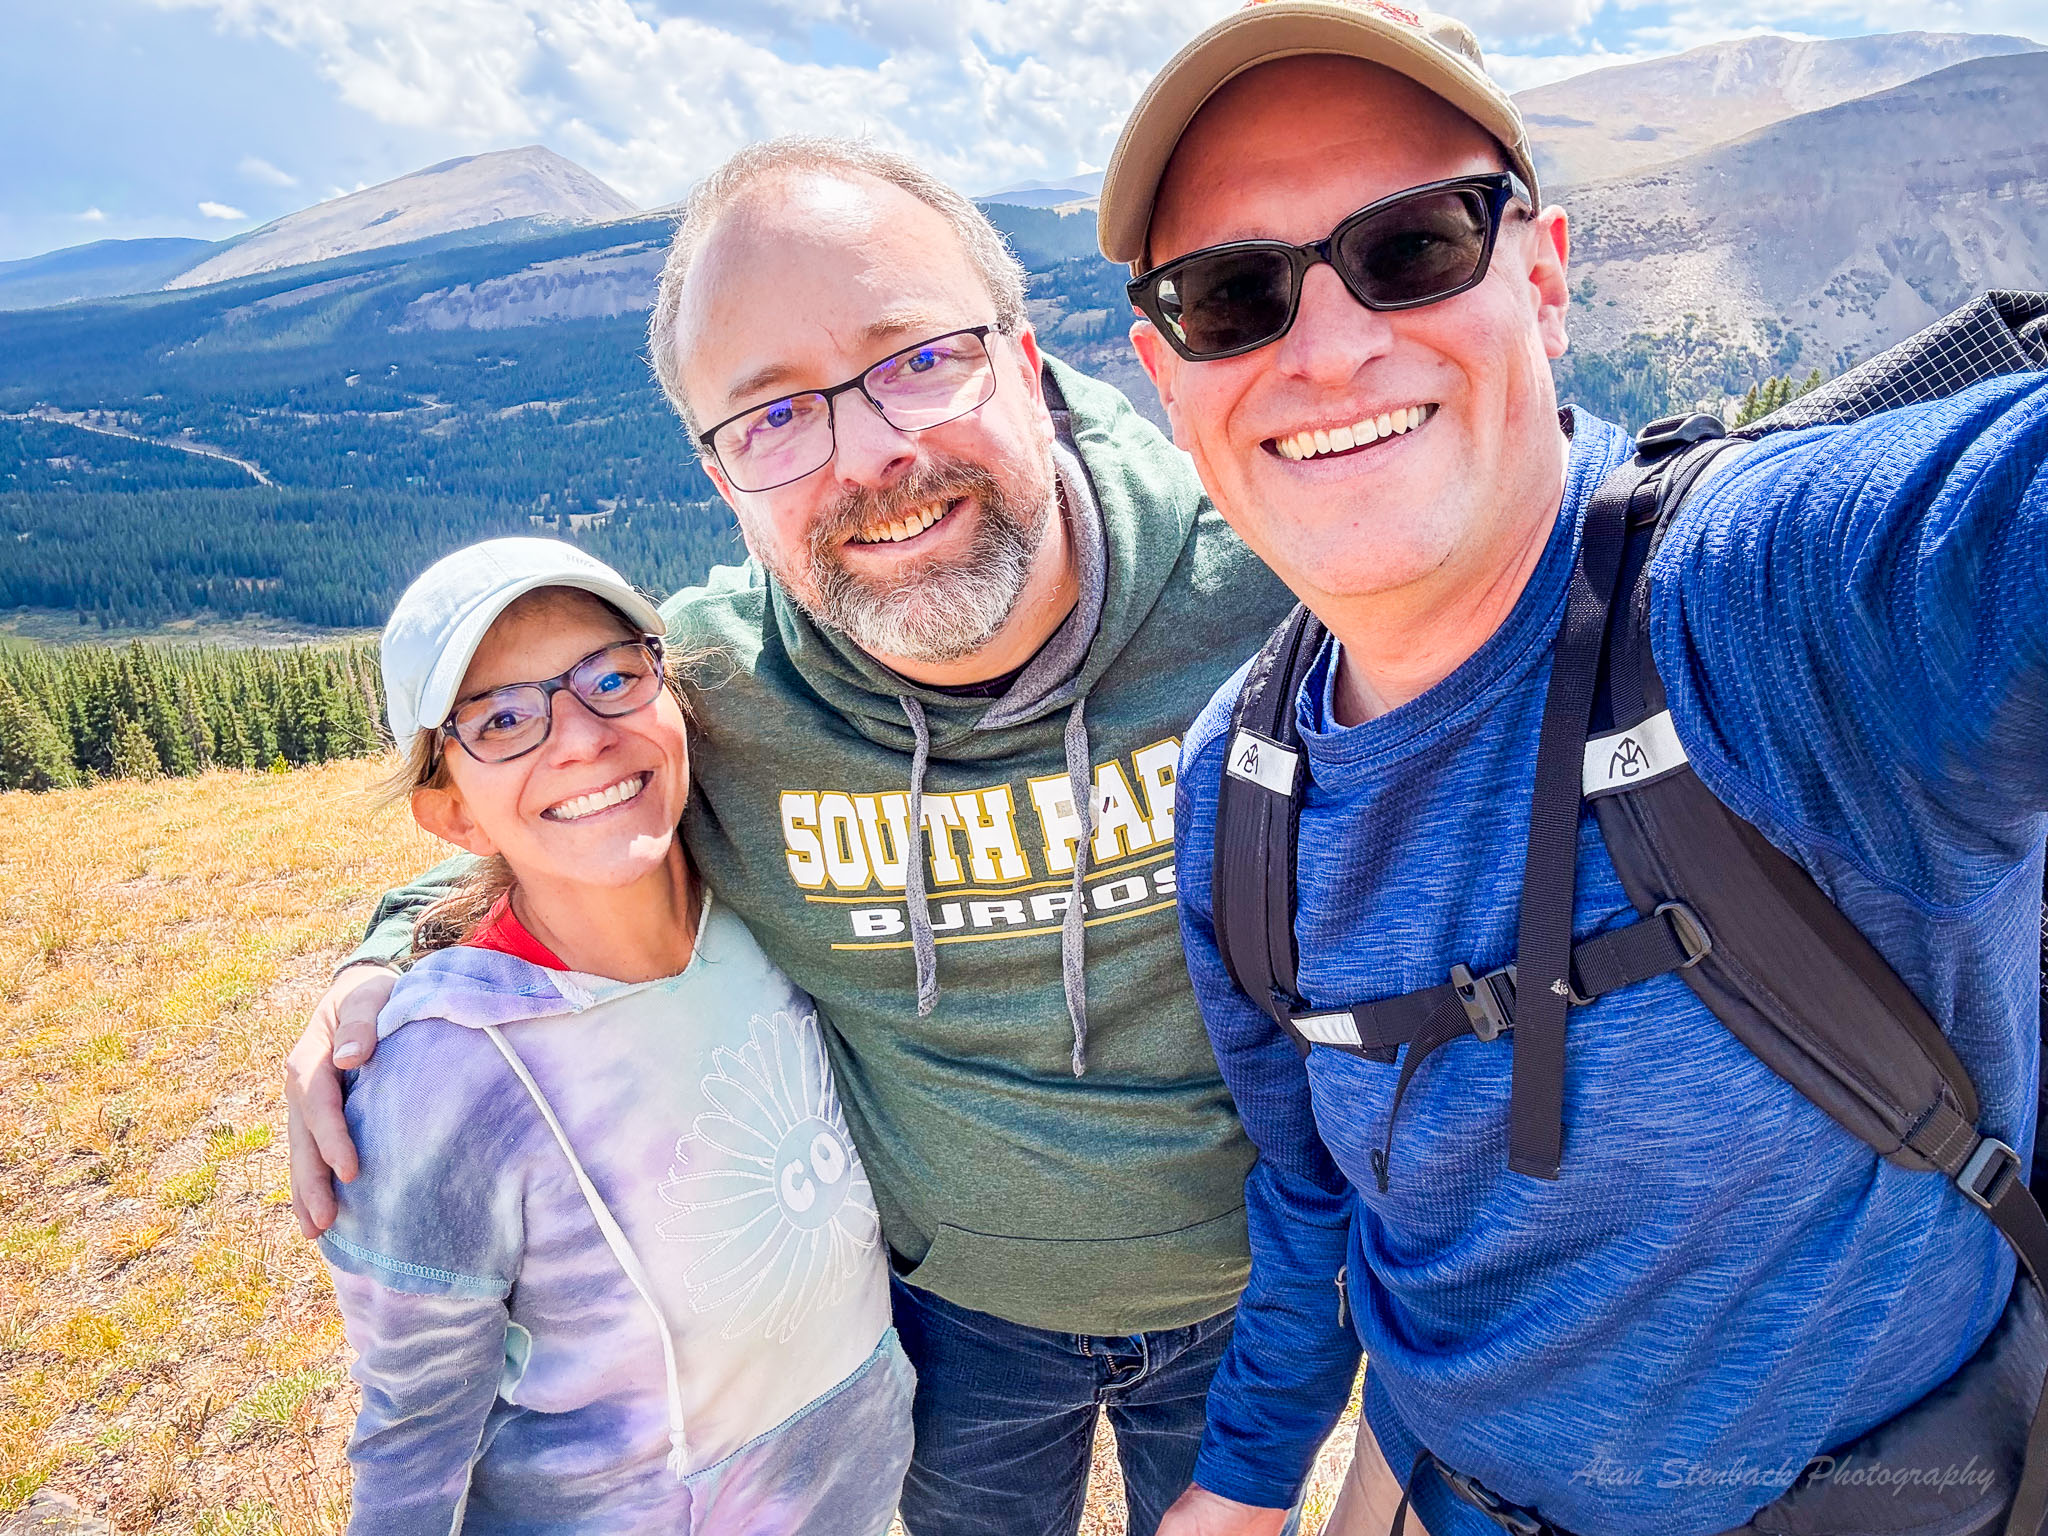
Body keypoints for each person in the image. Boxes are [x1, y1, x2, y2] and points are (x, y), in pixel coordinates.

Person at [282, 139, 1351, 1535]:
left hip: (1247, 1299)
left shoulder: (1272, 594)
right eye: (773, 415)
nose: (872, 456)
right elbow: (575, 804)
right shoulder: (725, 694)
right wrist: (383, 968)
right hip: (956, 1323)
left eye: (916, 359)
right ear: (722, 476)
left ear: (1026, 360)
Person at [1092, 3, 2048, 1535]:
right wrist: (1247, 1479)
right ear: (1169, 379)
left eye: (1412, 247)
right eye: (1234, 294)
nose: (1329, 348)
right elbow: (1320, 1189)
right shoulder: (1238, 789)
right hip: (1428, 1484)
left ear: (1541, 280)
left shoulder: (1756, 609)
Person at [322, 537, 911, 1534]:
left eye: (611, 676)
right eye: (501, 719)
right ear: (451, 813)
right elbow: (413, 1431)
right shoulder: (444, 1074)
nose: (580, 738)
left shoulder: (773, 908)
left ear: (674, 700)